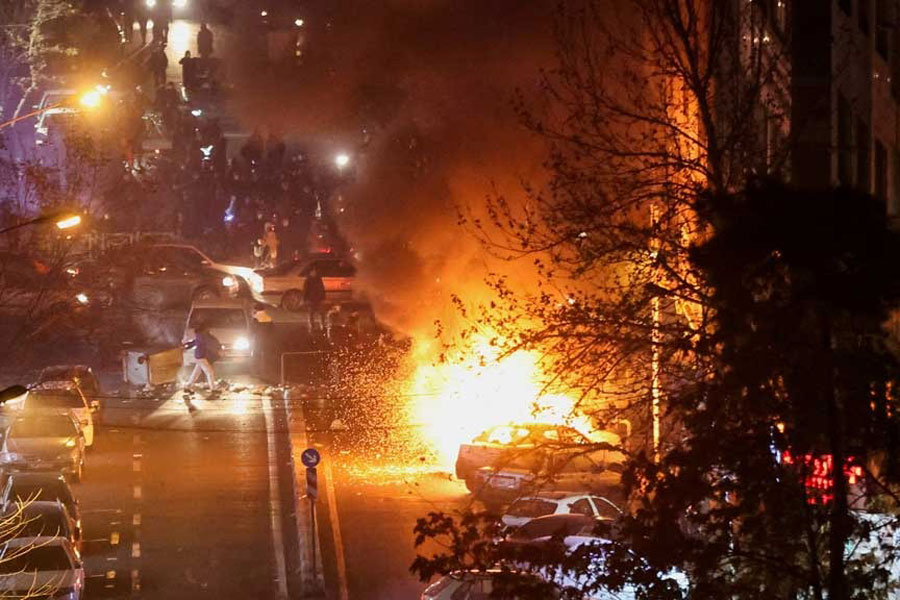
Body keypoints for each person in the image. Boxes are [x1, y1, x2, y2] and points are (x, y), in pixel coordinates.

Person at [183, 324, 222, 390]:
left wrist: (186, 345)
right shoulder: (203, 336)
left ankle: (188, 385)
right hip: (201, 356)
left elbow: (194, 342)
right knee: (209, 372)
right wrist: (217, 349)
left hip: (199, 356)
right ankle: (213, 388)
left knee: (196, 372)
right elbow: (210, 344)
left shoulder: (200, 336)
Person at [303, 266, 326, 332]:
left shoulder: (319, 279)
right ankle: (311, 326)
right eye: (313, 271)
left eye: (315, 271)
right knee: (311, 313)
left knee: (321, 313)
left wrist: (323, 297)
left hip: (318, 298)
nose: (314, 272)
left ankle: (322, 325)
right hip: (311, 299)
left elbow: (322, 289)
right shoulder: (308, 280)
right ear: (310, 272)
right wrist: (305, 299)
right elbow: (305, 290)